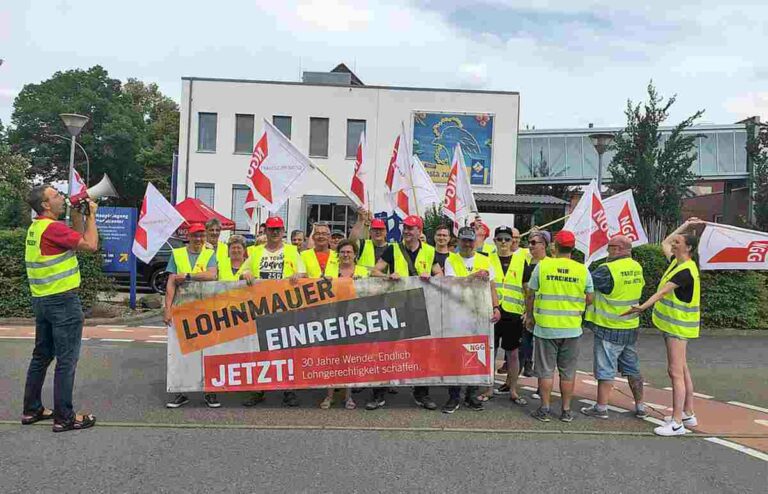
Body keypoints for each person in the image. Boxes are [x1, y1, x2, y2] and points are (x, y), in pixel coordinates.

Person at [21, 185, 98, 432]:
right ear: (45, 205)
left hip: (42, 300)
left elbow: (73, 240)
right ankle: (65, 417)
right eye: (55, 195)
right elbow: (89, 245)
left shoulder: (37, 228)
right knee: (67, 360)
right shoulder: (53, 228)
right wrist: (91, 216)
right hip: (63, 301)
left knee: (41, 356)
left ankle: (32, 409)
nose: (61, 197)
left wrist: (77, 216)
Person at [624, 218, 704, 436]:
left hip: (677, 328)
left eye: (679, 242)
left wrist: (641, 308)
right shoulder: (676, 263)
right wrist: (686, 225)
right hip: (675, 326)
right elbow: (665, 243)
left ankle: (677, 422)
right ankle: (688, 413)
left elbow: (662, 293)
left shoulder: (685, 271)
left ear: (688, 247)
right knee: (683, 369)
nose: (674, 244)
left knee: (675, 372)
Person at [368, 214, 443, 411]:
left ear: (420, 231)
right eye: (406, 228)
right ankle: (379, 394)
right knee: (386, 350)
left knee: (421, 350)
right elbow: (374, 271)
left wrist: (432, 277)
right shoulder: (393, 249)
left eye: (411, 228)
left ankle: (421, 393)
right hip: (395, 307)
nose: (407, 231)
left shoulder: (429, 251)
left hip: (419, 307)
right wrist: (387, 275)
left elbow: (441, 276)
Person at [525, 230, 594, 423]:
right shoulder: (582, 270)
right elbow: (590, 298)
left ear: (554, 246)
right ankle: (565, 411)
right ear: (573, 248)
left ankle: (545, 409)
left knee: (545, 371)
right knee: (568, 372)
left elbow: (530, 294)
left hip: (546, 327)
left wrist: (530, 316)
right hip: (572, 329)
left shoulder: (543, 266)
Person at [240, 216, 306, 407]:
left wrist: (298, 275)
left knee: (286, 350)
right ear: (265, 231)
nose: (275, 232)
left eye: (278, 229)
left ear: (283, 231)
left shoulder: (292, 251)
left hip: (285, 308)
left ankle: (289, 389)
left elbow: (304, 273)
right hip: (261, 308)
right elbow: (243, 272)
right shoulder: (256, 251)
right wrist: (246, 273)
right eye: (271, 229)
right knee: (261, 350)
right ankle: (258, 389)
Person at [580, 235, 647, 420]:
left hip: (608, 327)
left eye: (609, 247)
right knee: (632, 368)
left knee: (605, 369)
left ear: (617, 249)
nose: (607, 251)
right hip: (630, 326)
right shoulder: (636, 266)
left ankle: (601, 408)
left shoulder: (607, 270)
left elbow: (586, 284)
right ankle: (640, 406)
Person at [441, 227, 502, 413]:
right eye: (464, 240)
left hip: (479, 314)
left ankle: (471, 395)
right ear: (458, 241)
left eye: (470, 240)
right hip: (458, 314)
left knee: (476, 354)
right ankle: (454, 396)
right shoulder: (450, 259)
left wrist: (496, 307)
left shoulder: (485, 260)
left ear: (475, 241)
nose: (467, 244)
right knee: (455, 355)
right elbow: (452, 285)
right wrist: (472, 276)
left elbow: (492, 286)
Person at [164, 223, 220, 409]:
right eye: (196, 236)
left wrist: (187, 276)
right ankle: (181, 392)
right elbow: (171, 282)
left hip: (205, 310)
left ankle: (210, 391)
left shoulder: (209, 254)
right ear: (189, 236)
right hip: (183, 309)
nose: (199, 239)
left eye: (201, 236)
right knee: (182, 353)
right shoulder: (177, 254)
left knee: (208, 352)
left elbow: (212, 275)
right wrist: (167, 308)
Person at [319, 239, 368, 410]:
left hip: (355, 320)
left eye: (349, 252)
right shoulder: (331, 270)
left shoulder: (362, 271)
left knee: (350, 360)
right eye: (342, 252)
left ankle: (349, 397)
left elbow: (373, 291)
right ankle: (329, 396)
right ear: (337, 255)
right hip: (333, 318)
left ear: (355, 255)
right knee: (332, 358)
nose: (346, 255)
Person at [486, 226, 528, 406]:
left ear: (513, 242)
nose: (503, 242)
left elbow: (527, 288)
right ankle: (488, 388)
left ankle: (513, 389)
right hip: (492, 312)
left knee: (512, 353)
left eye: (507, 239)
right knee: (491, 352)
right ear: (494, 241)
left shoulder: (521, 260)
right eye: (500, 239)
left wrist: (528, 311)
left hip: (513, 313)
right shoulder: (486, 260)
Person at [521, 231, 550, 392]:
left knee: (543, 352)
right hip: (528, 311)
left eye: (534, 243)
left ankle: (542, 389)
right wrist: (527, 311)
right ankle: (525, 366)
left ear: (544, 245)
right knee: (524, 344)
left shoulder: (549, 264)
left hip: (545, 314)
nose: (530, 246)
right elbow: (526, 289)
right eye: (529, 242)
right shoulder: (525, 261)